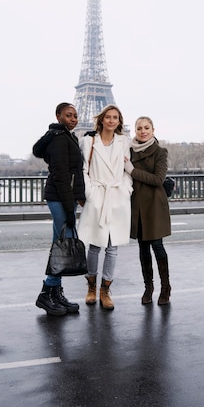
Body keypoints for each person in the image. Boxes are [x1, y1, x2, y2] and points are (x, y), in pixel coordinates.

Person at [78, 105, 133, 310]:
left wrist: (126, 189)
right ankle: (91, 286)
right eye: (108, 117)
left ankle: (105, 290)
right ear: (101, 120)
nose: (111, 120)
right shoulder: (88, 141)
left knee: (112, 247)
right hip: (98, 195)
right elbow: (83, 170)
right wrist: (91, 193)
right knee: (94, 245)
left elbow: (128, 169)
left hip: (117, 196)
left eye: (115, 118)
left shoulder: (124, 142)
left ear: (119, 122)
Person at [34, 103, 86, 316]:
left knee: (60, 243)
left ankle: (54, 292)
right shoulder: (58, 138)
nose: (73, 118)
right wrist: (69, 208)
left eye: (75, 115)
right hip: (60, 198)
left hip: (65, 198)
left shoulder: (67, 137)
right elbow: (62, 176)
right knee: (61, 243)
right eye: (68, 115)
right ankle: (47, 293)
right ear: (58, 116)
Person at [124, 116, 172, 305]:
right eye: (139, 128)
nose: (142, 131)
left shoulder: (160, 152)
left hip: (154, 205)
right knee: (143, 248)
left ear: (153, 130)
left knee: (157, 246)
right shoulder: (129, 151)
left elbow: (158, 179)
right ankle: (148, 287)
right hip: (136, 205)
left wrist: (132, 170)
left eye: (146, 128)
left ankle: (166, 287)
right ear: (135, 131)